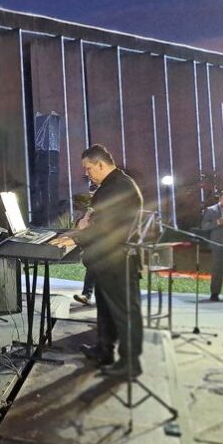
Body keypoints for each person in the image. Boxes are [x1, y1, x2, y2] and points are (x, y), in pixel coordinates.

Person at [51, 145, 145, 378]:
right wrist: (78, 229)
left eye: (88, 168)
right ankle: (104, 349)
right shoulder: (111, 185)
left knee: (124, 312)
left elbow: (107, 227)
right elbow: (95, 219)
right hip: (108, 260)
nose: (87, 173)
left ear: (100, 164)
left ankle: (130, 363)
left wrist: (75, 239)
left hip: (119, 260)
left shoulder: (119, 187)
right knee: (105, 307)